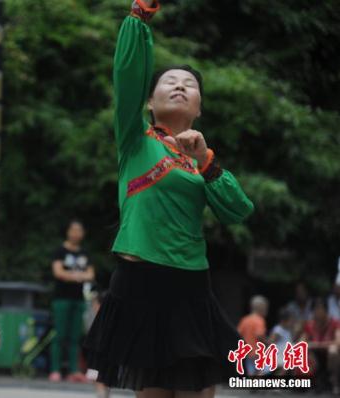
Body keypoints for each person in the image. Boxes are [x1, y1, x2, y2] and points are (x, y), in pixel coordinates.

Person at [83, 1, 255, 397]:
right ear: (148, 101)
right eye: (169, 81)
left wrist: (207, 161)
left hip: (190, 284)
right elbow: (127, 74)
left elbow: (239, 210)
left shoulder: (201, 161)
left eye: (189, 84)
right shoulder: (135, 139)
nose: (179, 85)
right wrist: (139, 17)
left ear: (198, 107)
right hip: (139, 281)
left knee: (198, 390)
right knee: (153, 391)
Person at [49, 220, 95, 383]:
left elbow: (91, 274)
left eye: (79, 230)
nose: (76, 233)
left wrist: (72, 276)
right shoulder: (59, 251)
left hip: (79, 299)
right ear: (68, 232)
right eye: (73, 230)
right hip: (61, 299)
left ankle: (74, 370)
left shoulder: (84, 253)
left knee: (76, 337)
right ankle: (55, 370)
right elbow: (58, 272)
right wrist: (78, 276)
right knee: (60, 335)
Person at [301, 298, 340, 394]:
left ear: (325, 310)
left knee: (333, 350)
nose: (317, 312)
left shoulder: (335, 323)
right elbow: (301, 343)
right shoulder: (310, 325)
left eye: (319, 309)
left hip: (331, 357)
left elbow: (338, 342)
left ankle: (335, 382)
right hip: (316, 357)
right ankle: (315, 380)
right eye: (315, 309)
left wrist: (317, 345)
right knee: (305, 351)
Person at [237, 295, 269, 376]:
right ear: (260, 307)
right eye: (265, 307)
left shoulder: (245, 320)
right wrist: (268, 343)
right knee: (261, 370)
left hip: (247, 351)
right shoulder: (259, 320)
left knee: (251, 372)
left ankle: (253, 387)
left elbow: (238, 334)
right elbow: (259, 335)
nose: (266, 310)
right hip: (258, 351)